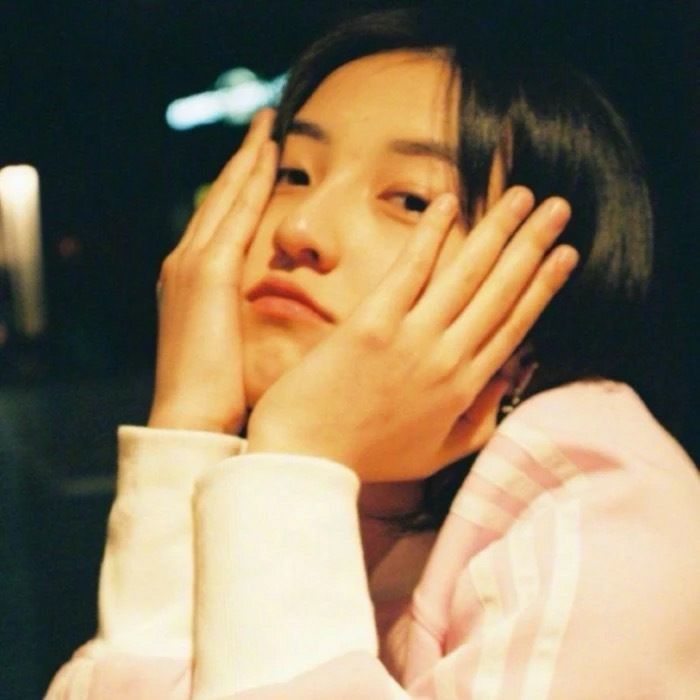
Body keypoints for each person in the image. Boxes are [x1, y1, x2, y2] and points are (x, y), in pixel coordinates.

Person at [47, 7, 700, 699]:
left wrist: (297, 454)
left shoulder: (597, 514)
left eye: (411, 199)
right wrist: (187, 427)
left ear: (540, 279)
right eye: (293, 175)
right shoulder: (331, 475)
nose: (299, 227)